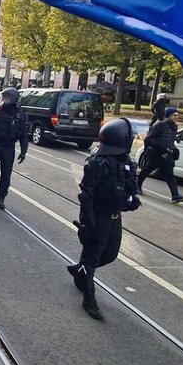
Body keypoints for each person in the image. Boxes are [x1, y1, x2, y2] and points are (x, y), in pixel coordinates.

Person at [71, 118, 141, 319]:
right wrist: (88, 221)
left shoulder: (124, 161)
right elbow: (86, 195)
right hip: (98, 217)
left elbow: (127, 188)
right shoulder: (98, 162)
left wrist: (129, 200)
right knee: (91, 258)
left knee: (110, 254)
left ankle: (80, 271)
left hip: (114, 216)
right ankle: (89, 299)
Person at [137, 107, 183, 203]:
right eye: (174, 115)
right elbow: (149, 139)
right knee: (147, 170)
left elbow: (170, 139)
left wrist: (174, 146)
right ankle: (137, 186)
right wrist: (161, 147)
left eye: (177, 115)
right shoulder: (159, 125)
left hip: (167, 154)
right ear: (168, 115)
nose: (176, 117)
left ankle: (175, 195)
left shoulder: (174, 127)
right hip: (156, 153)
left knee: (170, 175)